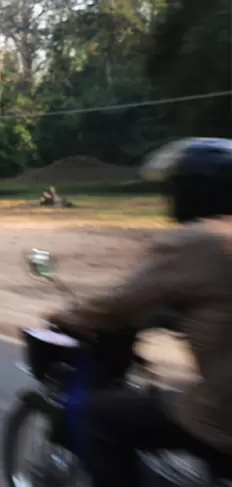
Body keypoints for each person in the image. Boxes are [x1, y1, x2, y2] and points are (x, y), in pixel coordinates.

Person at [47, 138, 232, 487]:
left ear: (191, 191)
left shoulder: (198, 241)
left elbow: (121, 300)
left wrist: (68, 316)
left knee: (97, 418)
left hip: (223, 415)